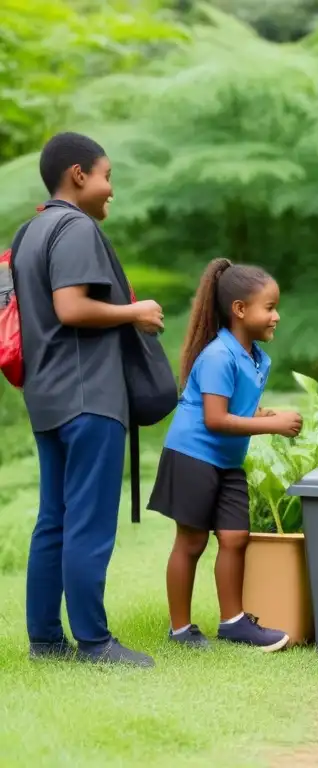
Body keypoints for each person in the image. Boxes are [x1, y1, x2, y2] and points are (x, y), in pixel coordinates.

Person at [17, 132, 165, 667]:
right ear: (78, 174)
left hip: (47, 395)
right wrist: (136, 312)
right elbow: (72, 308)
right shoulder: (75, 227)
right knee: (87, 521)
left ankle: (46, 642)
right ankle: (96, 644)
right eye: (106, 176)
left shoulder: (31, 230)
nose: (111, 190)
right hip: (89, 396)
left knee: (53, 518)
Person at [148, 258, 301, 651]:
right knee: (192, 541)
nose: (276, 317)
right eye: (269, 308)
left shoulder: (255, 357)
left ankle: (233, 622)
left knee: (235, 537)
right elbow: (215, 419)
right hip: (193, 454)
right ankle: (180, 629)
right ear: (239, 310)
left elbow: (236, 408)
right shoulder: (218, 355)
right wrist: (273, 425)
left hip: (227, 460)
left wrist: (261, 413)